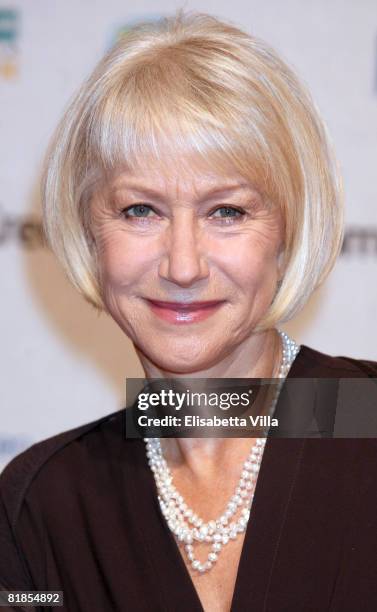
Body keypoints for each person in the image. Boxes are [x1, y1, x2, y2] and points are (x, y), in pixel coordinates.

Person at [1, 11, 377, 612]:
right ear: (87, 232)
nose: (182, 265)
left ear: (287, 231)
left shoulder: (365, 420)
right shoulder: (43, 505)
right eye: (140, 210)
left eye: (226, 211)